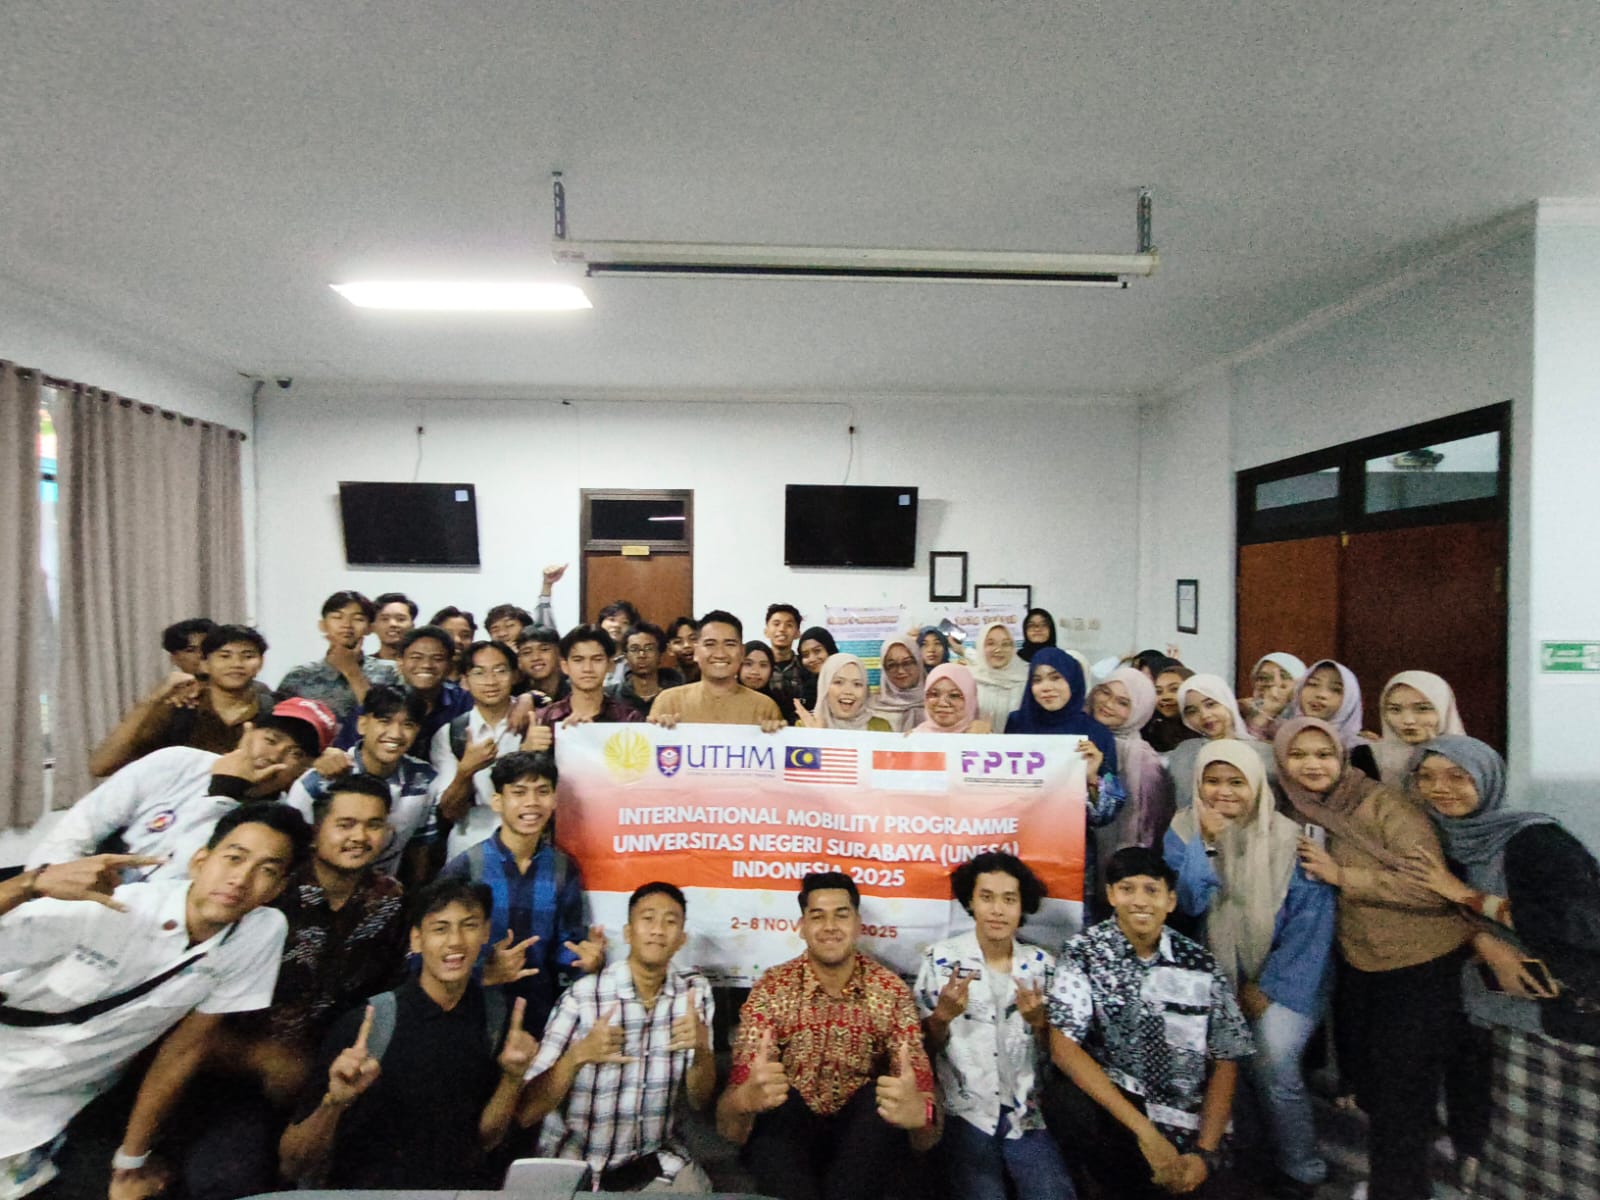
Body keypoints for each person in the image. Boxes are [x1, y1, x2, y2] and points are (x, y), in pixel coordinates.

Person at [0, 805, 308, 1200]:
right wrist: (30, 884)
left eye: (267, 870)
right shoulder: (108, 909)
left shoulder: (259, 933)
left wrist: (130, 1163)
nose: (241, 879)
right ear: (200, 862)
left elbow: (184, 1050)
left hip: (58, 1109)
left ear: (278, 888)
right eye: (234, 858)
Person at [173, 779, 409, 1200]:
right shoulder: (270, 888)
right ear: (316, 831)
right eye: (346, 824)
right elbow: (184, 1014)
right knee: (228, 1180)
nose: (360, 836)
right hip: (230, 1072)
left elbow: (387, 987)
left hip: (328, 1072)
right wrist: (261, 1059)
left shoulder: (388, 899)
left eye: (374, 825)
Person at [1273, 717, 1476, 1200]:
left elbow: (1433, 888)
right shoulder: (1297, 807)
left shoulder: (1383, 804)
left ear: (1342, 757)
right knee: (1379, 1087)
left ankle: (1398, 1189)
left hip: (1421, 961)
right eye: (1298, 755)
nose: (1312, 765)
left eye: (1324, 754)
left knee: (1402, 1091)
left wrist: (1344, 876)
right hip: (1363, 962)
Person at [1399, 735, 1600, 1200]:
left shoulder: (1534, 839)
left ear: (1486, 779)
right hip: (1495, 1011)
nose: (1440, 788)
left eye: (1457, 776)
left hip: (1564, 1017)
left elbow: (1582, 925)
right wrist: (1482, 939)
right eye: (1426, 777)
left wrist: (1469, 897)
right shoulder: (1440, 836)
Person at [276, 878, 537, 1189]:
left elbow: (485, 1140)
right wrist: (334, 1103)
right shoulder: (368, 1024)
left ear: (485, 932)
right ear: (416, 939)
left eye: (469, 926)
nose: (455, 941)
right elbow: (293, 1164)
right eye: (440, 928)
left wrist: (512, 1078)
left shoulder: (496, 1019)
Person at [1163, 741, 1336, 1198]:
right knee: (1229, 1061)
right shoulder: (1182, 829)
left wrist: (1268, 987)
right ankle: (1253, 1158)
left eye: (1236, 782)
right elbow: (1189, 903)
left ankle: (1303, 1168)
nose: (1223, 792)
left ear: (1257, 785)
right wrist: (1206, 843)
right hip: (1220, 973)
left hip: (1292, 975)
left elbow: (1312, 924)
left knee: (1273, 1059)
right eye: (1212, 781)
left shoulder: (1291, 838)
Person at [1046, 846, 1253, 1200]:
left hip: (1189, 1123)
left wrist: (1204, 1154)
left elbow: (1227, 1058)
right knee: (1065, 1102)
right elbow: (1063, 1049)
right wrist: (1147, 1134)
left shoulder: (1199, 963)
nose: (1140, 901)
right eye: (1127, 889)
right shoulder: (1084, 953)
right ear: (1111, 895)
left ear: (1170, 901)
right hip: (1121, 1117)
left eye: (1151, 890)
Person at [716, 871, 937, 1200]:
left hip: (861, 1142)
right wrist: (742, 1099)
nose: (830, 926)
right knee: (779, 1105)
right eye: (817, 916)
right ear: (802, 927)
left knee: (878, 1100)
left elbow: (927, 1118)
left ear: (858, 925)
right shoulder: (772, 988)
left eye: (841, 915)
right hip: (792, 1136)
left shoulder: (890, 990)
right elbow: (729, 1127)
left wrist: (924, 1115)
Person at [517, 882, 718, 1191]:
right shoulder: (585, 996)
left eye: (670, 921)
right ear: (627, 933)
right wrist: (577, 1056)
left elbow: (699, 1100)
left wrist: (702, 1049)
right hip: (576, 1165)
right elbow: (526, 1113)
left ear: (682, 939)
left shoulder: (693, 995)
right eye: (648, 919)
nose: (658, 930)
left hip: (655, 1163)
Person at [29, 699, 335, 881]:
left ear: (306, 768)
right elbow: (80, 827)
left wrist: (225, 794)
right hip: (78, 888)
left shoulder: (278, 826)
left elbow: (182, 878)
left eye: (295, 754)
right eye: (270, 740)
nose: (274, 756)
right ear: (248, 733)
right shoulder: (176, 762)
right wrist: (48, 881)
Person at [914, 853, 1075, 1200]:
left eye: (1009, 899)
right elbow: (919, 1051)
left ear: (1022, 905)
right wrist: (942, 1016)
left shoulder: (1042, 966)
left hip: (1027, 1114)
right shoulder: (941, 960)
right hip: (964, 1112)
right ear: (970, 902)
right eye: (986, 897)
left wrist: (1040, 1023)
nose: (997, 910)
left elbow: (1063, 1056)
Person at [438, 751, 598, 1037]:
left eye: (542, 792)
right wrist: (483, 972)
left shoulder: (563, 869)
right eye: (519, 792)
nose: (532, 802)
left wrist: (586, 962)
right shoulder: (468, 867)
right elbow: (427, 951)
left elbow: (567, 947)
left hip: (539, 1015)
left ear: (555, 800)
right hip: (470, 1013)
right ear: (497, 801)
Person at [1004, 648, 1126, 920]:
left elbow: (1105, 816)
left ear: (1073, 679)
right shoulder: (1017, 723)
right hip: (1019, 844)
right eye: (1037, 680)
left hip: (1072, 850)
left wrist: (1092, 778)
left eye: (1056, 677)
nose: (1046, 687)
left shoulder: (1096, 734)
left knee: (1068, 924)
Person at [286, 684, 440, 884]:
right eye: (385, 721)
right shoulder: (317, 782)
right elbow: (290, 849)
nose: (396, 734)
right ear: (363, 724)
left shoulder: (424, 779)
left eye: (408, 725)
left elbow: (419, 849)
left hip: (382, 894)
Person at [90, 624, 277, 776]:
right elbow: (101, 766)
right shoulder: (179, 707)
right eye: (224, 656)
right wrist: (153, 700)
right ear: (204, 664)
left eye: (248, 656)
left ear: (260, 662)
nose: (236, 664)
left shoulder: (273, 711)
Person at [431, 639, 530, 857]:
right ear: (465, 681)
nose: (491, 681)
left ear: (515, 675)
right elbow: (449, 812)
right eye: (479, 673)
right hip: (469, 845)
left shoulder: (536, 721)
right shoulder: (451, 733)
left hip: (530, 843)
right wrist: (465, 771)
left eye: (500, 671)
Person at [1089, 667, 1176, 872]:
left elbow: (1152, 826)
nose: (1108, 704)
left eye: (1123, 702)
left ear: (1139, 710)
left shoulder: (1145, 760)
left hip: (1122, 860)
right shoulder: (1079, 736)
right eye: (1105, 692)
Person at [650, 612, 786, 731]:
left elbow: (779, 750)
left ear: (742, 652)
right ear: (696, 652)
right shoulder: (668, 702)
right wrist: (658, 730)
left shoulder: (765, 707)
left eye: (729, 644)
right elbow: (647, 749)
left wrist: (776, 734)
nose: (720, 654)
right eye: (710, 644)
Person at [276, 591, 401, 720]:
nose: (347, 625)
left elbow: (388, 719)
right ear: (322, 625)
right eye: (337, 617)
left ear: (370, 628)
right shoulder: (299, 676)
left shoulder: (391, 671)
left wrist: (352, 672)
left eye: (358, 619)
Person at [1167, 674, 1276, 810]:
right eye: (1192, 711)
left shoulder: (1264, 753)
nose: (1205, 715)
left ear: (1227, 702)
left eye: (1210, 704)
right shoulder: (1184, 753)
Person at [526, 626, 643, 749]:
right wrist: (527, 749)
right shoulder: (544, 719)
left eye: (597, 660)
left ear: (610, 665)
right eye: (578, 660)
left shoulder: (630, 719)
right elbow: (526, 759)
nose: (587, 668)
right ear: (565, 666)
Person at [1282, 659, 1379, 777]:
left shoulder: (1357, 751)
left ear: (1349, 700)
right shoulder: (1282, 738)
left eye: (1335, 689)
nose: (1320, 695)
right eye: (1313, 684)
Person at [1371, 670, 1464, 786]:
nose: (1408, 720)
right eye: (1395, 709)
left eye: (1423, 709)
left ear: (1444, 710)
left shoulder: (1470, 759)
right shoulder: (1366, 758)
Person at [794, 653, 888, 731]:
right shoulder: (805, 726)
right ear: (824, 687)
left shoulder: (881, 727)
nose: (848, 691)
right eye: (838, 682)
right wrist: (814, 737)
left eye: (857, 684)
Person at [606, 622, 683, 718]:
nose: (642, 655)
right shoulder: (610, 696)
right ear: (626, 656)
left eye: (649, 648)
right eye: (634, 649)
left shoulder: (679, 693)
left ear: (660, 654)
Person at [970, 621, 1029, 732]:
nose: (998, 649)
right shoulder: (969, 679)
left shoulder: (1026, 679)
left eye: (1005, 644)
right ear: (981, 646)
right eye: (991, 643)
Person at [868, 635, 925, 733]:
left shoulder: (937, 705)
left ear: (919, 663)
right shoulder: (870, 710)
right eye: (892, 665)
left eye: (907, 663)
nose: (900, 671)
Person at [914, 664, 991, 734]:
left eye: (954, 695)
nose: (942, 703)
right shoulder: (915, 737)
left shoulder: (983, 738)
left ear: (970, 701)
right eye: (934, 694)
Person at [1144, 662, 1202, 755]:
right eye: (1158, 691)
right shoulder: (1151, 732)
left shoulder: (1206, 726)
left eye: (1174, 689)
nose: (1165, 697)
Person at [1240, 653, 1306, 730]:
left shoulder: (1310, 713)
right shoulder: (1242, 711)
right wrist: (1266, 713)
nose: (1271, 683)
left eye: (1283, 676)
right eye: (1263, 677)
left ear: (1300, 682)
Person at [763, 604, 805, 713]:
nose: (782, 629)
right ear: (766, 631)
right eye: (776, 624)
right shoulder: (757, 667)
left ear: (798, 633)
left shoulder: (804, 666)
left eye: (789, 625)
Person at [516, 625, 570, 705]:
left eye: (544, 649)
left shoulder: (576, 691)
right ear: (519, 662)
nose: (536, 657)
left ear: (560, 653)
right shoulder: (516, 698)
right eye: (527, 652)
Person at [794, 626, 838, 710]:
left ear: (830, 650)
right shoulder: (800, 686)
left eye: (817, 651)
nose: (812, 659)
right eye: (805, 655)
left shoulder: (847, 679)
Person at [369, 593, 417, 661]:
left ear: (412, 627)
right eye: (385, 619)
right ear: (373, 627)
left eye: (400, 619)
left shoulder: (422, 665)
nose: (392, 624)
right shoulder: (360, 665)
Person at [664, 618, 700, 683]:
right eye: (678, 642)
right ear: (669, 649)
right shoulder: (668, 681)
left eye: (693, 639)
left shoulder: (713, 675)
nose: (686, 645)